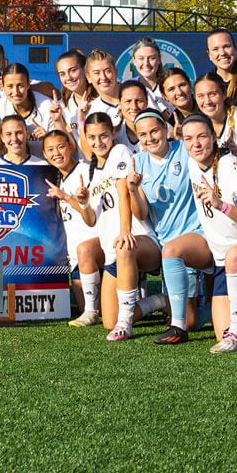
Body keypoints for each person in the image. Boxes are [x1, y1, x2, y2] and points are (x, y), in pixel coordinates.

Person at [177, 114, 237, 353]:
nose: (195, 144)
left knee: (235, 256)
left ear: (214, 137)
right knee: (221, 330)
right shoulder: (192, 163)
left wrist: (221, 205)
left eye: (202, 137)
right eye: (188, 139)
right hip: (222, 260)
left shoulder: (230, 167)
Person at [125, 110, 213, 344]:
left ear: (165, 129)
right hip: (164, 242)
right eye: (142, 134)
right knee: (192, 319)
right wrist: (133, 189)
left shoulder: (183, 150)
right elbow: (142, 212)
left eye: (154, 130)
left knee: (185, 320)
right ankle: (218, 305)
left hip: (194, 236)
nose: (150, 138)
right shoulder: (139, 162)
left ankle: (177, 328)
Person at [79, 112, 164, 340]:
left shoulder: (120, 152)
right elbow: (91, 220)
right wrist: (83, 202)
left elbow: (124, 191)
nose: (99, 142)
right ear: (85, 138)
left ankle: (126, 324)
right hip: (113, 251)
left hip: (138, 238)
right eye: (92, 137)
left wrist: (125, 230)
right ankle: (159, 301)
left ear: (113, 133)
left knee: (124, 247)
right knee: (108, 320)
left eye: (104, 135)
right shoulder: (92, 171)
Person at [41, 130, 101, 326]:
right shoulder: (59, 178)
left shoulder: (85, 171)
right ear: (44, 154)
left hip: (95, 248)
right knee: (88, 309)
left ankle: (156, 301)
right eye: (50, 149)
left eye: (60, 147)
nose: (56, 153)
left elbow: (90, 213)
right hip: (75, 255)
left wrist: (66, 197)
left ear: (71, 147)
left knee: (105, 313)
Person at [0, 63, 66, 158]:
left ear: (28, 85)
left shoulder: (46, 107)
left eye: (20, 85)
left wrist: (47, 138)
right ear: (2, 86)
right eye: (10, 86)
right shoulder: (0, 106)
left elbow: (63, 146)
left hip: (46, 166)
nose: (16, 92)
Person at [192, 71, 237, 159]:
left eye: (212, 94)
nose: (207, 101)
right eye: (200, 96)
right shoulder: (199, 125)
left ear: (224, 94)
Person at [205, 27, 237, 110]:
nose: (222, 53)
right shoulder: (206, 83)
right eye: (215, 49)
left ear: (235, 49)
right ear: (209, 55)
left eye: (227, 46)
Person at [55, 50, 94, 148]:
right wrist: (58, 121)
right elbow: (71, 147)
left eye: (73, 70)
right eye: (62, 74)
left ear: (85, 70)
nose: (68, 77)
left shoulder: (102, 100)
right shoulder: (62, 107)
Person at [126, 37, 172, 113]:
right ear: (134, 61)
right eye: (141, 58)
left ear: (159, 60)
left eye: (152, 58)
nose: (146, 63)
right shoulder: (127, 86)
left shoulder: (169, 85)